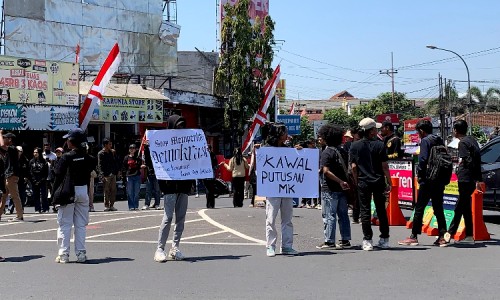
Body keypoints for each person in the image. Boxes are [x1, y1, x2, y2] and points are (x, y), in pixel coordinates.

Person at [399, 119, 448, 247]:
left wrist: (420, 177)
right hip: (439, 179)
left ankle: (414, 236)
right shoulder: (439, 140)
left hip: (428, 179)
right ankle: (442, 236)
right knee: (438, 208)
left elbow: (423, 160)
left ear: (421, 131)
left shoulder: (426, 141)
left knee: (419, 208)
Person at [154, 115, 194, 262]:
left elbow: (195, 160)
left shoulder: (188, 144)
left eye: (183, 126)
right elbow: (155, 161)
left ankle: (175, 247)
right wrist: (147, 147)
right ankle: (160, 248)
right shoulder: (164, 144)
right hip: (170, 186)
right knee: (168, 217)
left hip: (183, 185)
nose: (181, 129)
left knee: (181, 218)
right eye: (178, 126)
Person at [349, 118, 392, 251]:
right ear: (372, 131)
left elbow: (354, 167)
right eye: (375, 129)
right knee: (381, 210)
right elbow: (384, 166)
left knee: (365, 211)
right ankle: (384, 238)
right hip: (378, 181)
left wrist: (356, 181)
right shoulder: (380, 145)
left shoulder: (355, 146)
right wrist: (389, 181)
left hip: (363, 181)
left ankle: (367, 240)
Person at [53, 128, 94, 263]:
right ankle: (81, 253)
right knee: (80, 225)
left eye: (68, 140)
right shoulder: (88, 157)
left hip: (68, 190)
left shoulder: (66, 157)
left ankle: (64, 254)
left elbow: (57, 174)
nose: (67, 141)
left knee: (64, 224)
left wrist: (54, 195)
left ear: (72, 142)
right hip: (83, 190)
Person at [260, 122, 299, 257]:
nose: (286, 135)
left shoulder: (288, 148)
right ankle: (270, 245)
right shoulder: (266, 149)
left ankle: (287, 246)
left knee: (287, 218)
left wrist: (298, 152)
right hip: (272, 189)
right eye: (284, 132)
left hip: (287, 189)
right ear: (277, 134)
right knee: (271, 218)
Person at [444, 120, 483, 244]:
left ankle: (449, 233)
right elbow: (477, 161)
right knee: (465, 206)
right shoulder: (472, 140)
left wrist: (475, 178)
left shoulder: (463, 143)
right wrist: (478, 179)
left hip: (465, 178)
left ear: (456, 130)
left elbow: (468, 160)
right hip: (471, 178)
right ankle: (469, 235)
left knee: (459, 206)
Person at [316, 124, 352, 250]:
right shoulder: (342, 151)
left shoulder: (327, 152)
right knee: (343, 215)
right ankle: (345, 239)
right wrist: (343, 182)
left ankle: (329, 240)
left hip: (329, 188)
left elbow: (326, 171)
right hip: (343, 189)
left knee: (329, 215)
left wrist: (339, 181)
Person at [0, 132, 24, 222]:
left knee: (14, 196)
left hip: (11, 175)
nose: (4, 139)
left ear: (10, 139)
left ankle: (19, 215)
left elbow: (2, 145)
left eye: (5, 138)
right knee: (3, 196)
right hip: (8, 175)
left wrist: (0, 133)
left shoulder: (13, 149)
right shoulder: (9, 151)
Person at [97, 138, 120, 212]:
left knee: (113, 190)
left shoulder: (112, 152)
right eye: (109, 144)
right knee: (106, 190)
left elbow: (116, 162)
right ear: (105, 145)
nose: (111, 145)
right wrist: (101, 175)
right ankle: (106, 205)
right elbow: (100, 165)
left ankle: (112, 205)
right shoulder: (101, 153)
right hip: (106, 174)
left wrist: (117, 171)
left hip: (113, 173)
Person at [122, 144, 143, 210]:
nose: (132, 149)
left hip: (136, 176)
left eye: (133, 148)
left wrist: (139, 163)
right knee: (130, 192)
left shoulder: (138, 158)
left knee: (136, 192)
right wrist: (124, 177)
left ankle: (136, 206)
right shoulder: (126, 158)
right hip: (129, 176)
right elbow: (124, 167)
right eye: (131, 148)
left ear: (135, 149)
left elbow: (140, 165)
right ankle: (131, 206)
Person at [30, 147, 49, 213]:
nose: (35, 153)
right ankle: (37, 209)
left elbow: (46, 172)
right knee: (36, 195)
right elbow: (30, 172)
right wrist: (34, 180)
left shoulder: (44, 161)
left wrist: (41, 180)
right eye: (34, 152)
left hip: (42, 180)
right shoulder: (31, 161)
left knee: (44, 195)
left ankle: (45, 208)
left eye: (36, 152)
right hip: (34, 180)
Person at [142, 145, 161, 210]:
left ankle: (157, 204)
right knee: (148, 190)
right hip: (149, 173)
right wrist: (146, 147)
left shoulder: (158, 153)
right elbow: (146, 154)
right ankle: (147, 204)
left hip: (157, 173)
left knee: (157, 190)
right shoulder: (148, 155)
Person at [203, 144, 218, 209]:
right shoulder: (206, 155)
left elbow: (215, 164)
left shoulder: (210, 155)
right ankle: (210, 204)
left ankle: (210, 204)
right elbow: (216, 164)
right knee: (209, 190)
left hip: (209, 174)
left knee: (210, 190)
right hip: (208, 174)